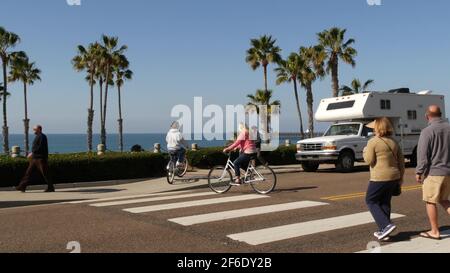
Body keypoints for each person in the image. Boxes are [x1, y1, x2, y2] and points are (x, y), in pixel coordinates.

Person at [363, 117, 405, 241]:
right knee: (384, 202)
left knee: (371, 200)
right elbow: (401, 162)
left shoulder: (373, 142)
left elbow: (368, 160)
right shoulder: (394, 141)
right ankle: (384, 230)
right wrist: (401, 178)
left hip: (379, 177)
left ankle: (386, 225)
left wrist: (365, 150)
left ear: (377, 128)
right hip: (394, 176)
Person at [416, 105, 450, 240]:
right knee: (444, 200)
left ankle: (434, 231)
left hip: (434, 172)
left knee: (430, 201)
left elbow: (423, 155)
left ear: (427, 116)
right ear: (440, 114)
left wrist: (419, 171)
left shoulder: (427, 131)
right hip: (448, 172)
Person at [16, 125, 54, 193]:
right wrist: (33, 154)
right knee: (28, 173)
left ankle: (51, 187)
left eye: (35, 129)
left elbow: (40, 147)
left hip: (40, 159)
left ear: (39, 129)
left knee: (45, 173)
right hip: (34, 159)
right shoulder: (38, 136)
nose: (34, 131)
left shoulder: (42, 136)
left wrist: (32, 153)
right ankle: (22, 187)